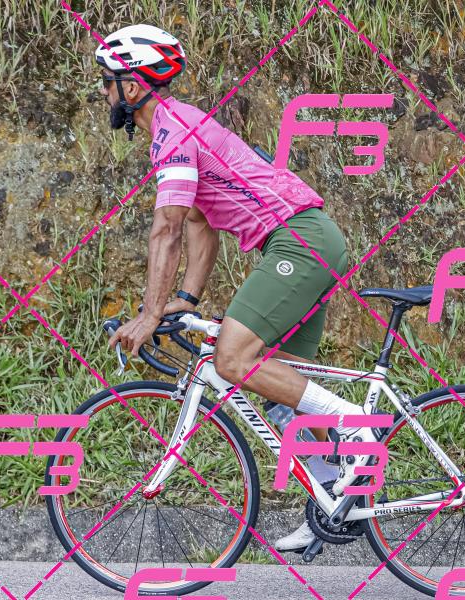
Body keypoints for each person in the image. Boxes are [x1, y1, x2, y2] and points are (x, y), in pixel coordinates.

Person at [99, 24, 376, 554]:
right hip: (303, 240)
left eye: (107, 83)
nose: (105, 94)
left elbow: (167, 228)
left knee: (231, 358)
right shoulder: (177, 127)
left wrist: (149, 315)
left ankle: (356, 424)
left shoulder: (173, 132)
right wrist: (186, 300)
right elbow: (200, 223)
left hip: (298, 240)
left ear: (131, 87)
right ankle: (332, 501)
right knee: (283, 391)